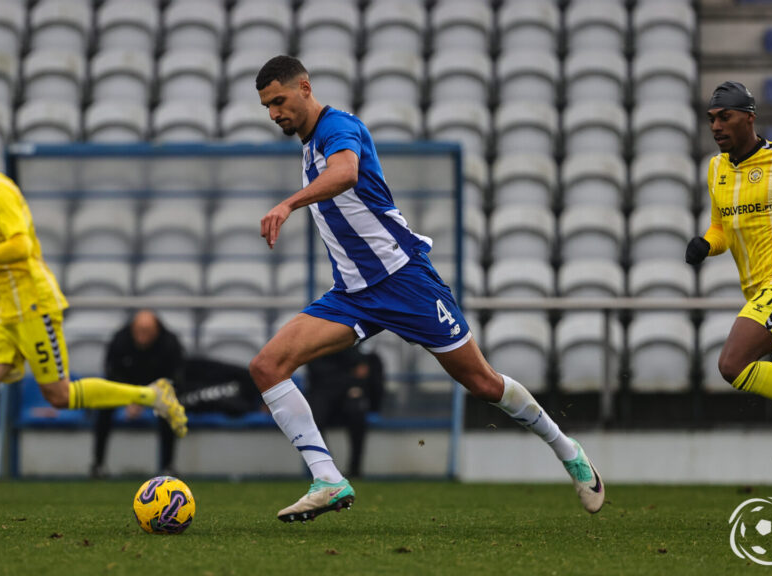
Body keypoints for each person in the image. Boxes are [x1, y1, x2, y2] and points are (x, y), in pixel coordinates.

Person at [251, 56, 604, 522]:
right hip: (353, 294)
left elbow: (346, 174)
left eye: (279, 101)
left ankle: (567, 450)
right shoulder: (310, 143)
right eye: (267, 107)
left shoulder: (338, 127)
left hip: (404, 282)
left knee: (482, 383)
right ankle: (328, 479)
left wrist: (288, 203)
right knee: (267, 366)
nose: (275, 113)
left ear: (305, 87)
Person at [0, 123, 188, 503]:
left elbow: (22, 246)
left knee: (58, 395)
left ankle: (151, 395)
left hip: (33, 306)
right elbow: (10, 251)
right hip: (6, 310)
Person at [686, 81, 772, 417]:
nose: (716, 126)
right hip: (758, 293)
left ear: (749, 118)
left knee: (733, 364)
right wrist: (705, 244)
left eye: (725, 117)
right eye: (711, 119)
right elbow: (720, 229)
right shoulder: (716, 169)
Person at [92, 310, 185, 478]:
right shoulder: (120, 339)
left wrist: (147, 397)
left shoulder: (170, 343)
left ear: (156, 329)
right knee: (103, 408)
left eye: (147, 331)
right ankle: (98, 465)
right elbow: (111, 371)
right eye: (139, 331)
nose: (142, 336)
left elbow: (176, 376)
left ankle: (168, 466)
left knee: (169, 409)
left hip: (157, 390)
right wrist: (131, 398)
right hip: (125, 388)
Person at [305, 346, 383, 479]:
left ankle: (355, 470)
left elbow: (362, 369)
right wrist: (349, 377)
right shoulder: (315, 345)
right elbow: (316, 372)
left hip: (346, 392)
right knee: (314, 420)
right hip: (323, 392)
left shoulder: (349, 341)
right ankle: (326, 470)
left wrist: (355, 384)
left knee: (357, 412)